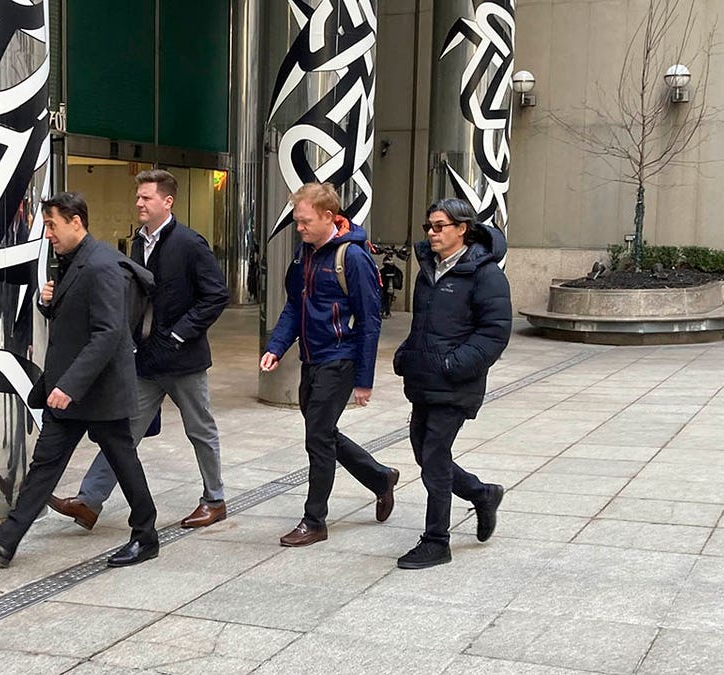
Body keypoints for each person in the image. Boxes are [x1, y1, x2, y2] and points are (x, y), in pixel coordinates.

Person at [0, 191, 160, 568]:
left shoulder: (102, 265)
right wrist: (47, 303)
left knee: (123, 462)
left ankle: (146, 536)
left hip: (97, 391)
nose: (47, 233)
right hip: (70, 391)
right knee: (45, 464)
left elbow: (108, 333)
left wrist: (69, 385)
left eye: (52, 225)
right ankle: (5, 540)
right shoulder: (73, 260)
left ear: (75, 222)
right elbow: (75, 320)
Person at [48, 169, 231, 530]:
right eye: (138, 197)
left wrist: (179, 334)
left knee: (200, 429)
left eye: (146, 197)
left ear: (167, 201)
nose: (139, 203)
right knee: (123, 433)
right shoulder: (137, 243)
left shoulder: (190, 244)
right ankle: (89, 501)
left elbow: (216, 295)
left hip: (184, 360)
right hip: (146, 359)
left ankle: (215, 500)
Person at [260, 182, 399, 547]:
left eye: (305, 221)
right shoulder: (303, 253)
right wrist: (276, 346)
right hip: (311, 357)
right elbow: (295, 305)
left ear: (327, 216)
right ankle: (380, 478)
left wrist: (364, 380)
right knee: (323, 433)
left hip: (340, 358)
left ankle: (314, 520)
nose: (299, 228)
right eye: (297, 221)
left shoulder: (353, 257)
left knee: (317, 439)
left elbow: (370, 321)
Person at [392, 198, 512, 570]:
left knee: (434, 457)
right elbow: (424, 325)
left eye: (439, 226)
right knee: (426, 454)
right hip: (424, 379)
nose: (431, 233)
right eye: (429, 226)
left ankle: (436, 541)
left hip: (456, 382)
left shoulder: (485, 274)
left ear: (462, 229)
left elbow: (494, 333)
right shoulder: (428, 269)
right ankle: (483, 493)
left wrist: (453, 364)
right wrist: (407, 353)